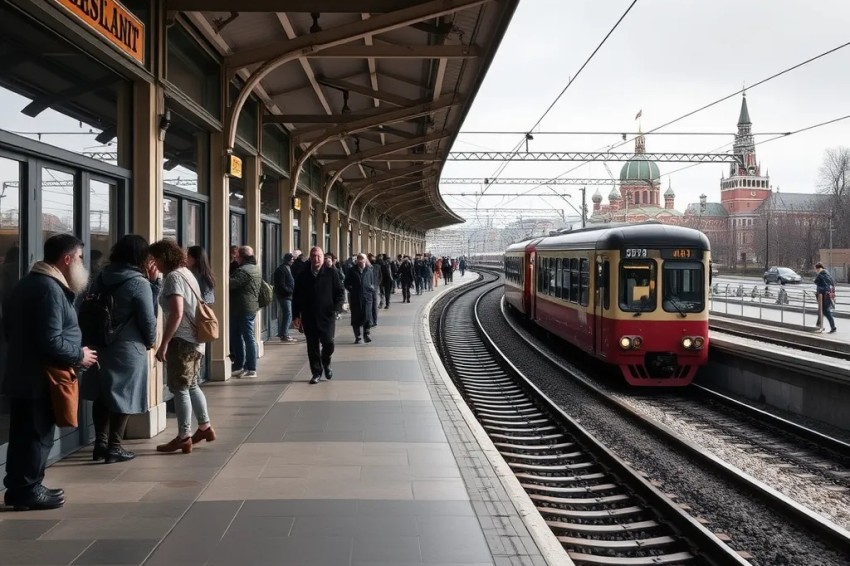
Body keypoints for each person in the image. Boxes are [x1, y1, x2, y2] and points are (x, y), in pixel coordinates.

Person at [3, 234, 98, 510]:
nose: (82, 263)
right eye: (79, 258)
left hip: (26, 374)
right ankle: (26, 490)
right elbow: (51, 340)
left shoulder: (30, 283)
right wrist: (79, 355)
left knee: (27, 435)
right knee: (35, 436)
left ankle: (23, 487)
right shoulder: (48, 289)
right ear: (66, 259)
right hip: (39, 378)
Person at [81, 235, 160, 464]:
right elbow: (148, 319)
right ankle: (115, 447)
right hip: (126, 346)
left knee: (102, 395)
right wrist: (150, 342)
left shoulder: (100, 277)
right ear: (141, 257)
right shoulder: (139, 283)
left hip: (98, 343)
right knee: (123, 395)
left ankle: (100, 444)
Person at [149, 239, 215, 455]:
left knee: (180, 388)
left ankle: (183, 436)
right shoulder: (186, 273)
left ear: (164, 258)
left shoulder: (174, 277)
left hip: (182, 340)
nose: (154, 263)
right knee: (193, 384)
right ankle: (204, 427)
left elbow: (176, 312)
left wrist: (164, 343)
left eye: (155, 259)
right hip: (195, 340)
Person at [292, 247, 345, 385]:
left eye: (319, 256)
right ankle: (316, 372)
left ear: (323, 257)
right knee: (312, 346)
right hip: (309, 316)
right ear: (310, 257)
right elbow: (296, 296)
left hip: (327, 316)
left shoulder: (331, 273)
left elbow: (340, 292)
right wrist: (296, 315)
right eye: (314, 256)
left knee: (328, 343)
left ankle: (326, 361)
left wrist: (337, 308)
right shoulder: (303, 275)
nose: (316, 259)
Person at [229, 246, 262, 378]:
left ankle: (248, 367)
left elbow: (230, 284)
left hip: (241, 308)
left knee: (243, 337)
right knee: (244, 336)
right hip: (249, 307)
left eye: (236, 257)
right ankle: (244, 366)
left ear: (240, 257)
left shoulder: (243, 270)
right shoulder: (255, 268)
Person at [346, 253, 376, 344]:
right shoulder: (352, 270)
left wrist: (371, 288)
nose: (360, 260)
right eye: (359, 258)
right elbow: (346, 283)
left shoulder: (369, 270)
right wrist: (351, 289)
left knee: (367, 316)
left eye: (362, 258)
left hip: (367, 297)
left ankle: (366, 334)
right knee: (356, 317)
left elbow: (373, 281)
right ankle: (358, 336)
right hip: (356, 297)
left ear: (365, 260)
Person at [273, 253, 297, 342]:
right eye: (291, 259)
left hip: (288, 295)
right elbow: (281, 284)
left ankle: (284, 333)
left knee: (288, 314)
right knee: (288, 314)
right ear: (287, 260)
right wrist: (289, 290)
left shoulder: (288, 268)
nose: (293, 261)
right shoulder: (281, 270)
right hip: (284, 296)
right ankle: (284, 334)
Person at [814, 262, 837, 334]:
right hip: (828, 295)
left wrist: (819, 293)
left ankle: (833, 327)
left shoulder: (821, 275)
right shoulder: (828, 274)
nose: (816, 271)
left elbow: (816, 282)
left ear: (819, 268)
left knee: (825, 311)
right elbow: (832, 284)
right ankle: (818, 324)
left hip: (823, 296)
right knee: (822, 310)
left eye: (816, 269)